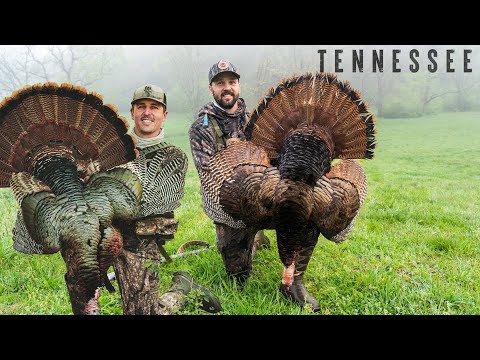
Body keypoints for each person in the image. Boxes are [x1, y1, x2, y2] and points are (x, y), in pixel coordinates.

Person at [112, 84, 221, 315]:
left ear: (164, 115)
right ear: (132, 112)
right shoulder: (112, 154)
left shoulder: (173, 157)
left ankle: (179, 293)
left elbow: (149, 210)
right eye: (141, 106)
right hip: (109, 241)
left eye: (154, 107)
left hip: (142, 243)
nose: (147, 112)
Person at [189, 60, 270, 284]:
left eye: (232, 82)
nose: (227, 87)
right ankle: (248, 237)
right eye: (220, 83)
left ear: (239, 86)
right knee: (238, 275)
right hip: (228, 205)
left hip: (262, 196)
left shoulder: (256, 120)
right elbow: (207, 174)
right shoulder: (202, 127)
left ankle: (257, 230)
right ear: (211, 88)